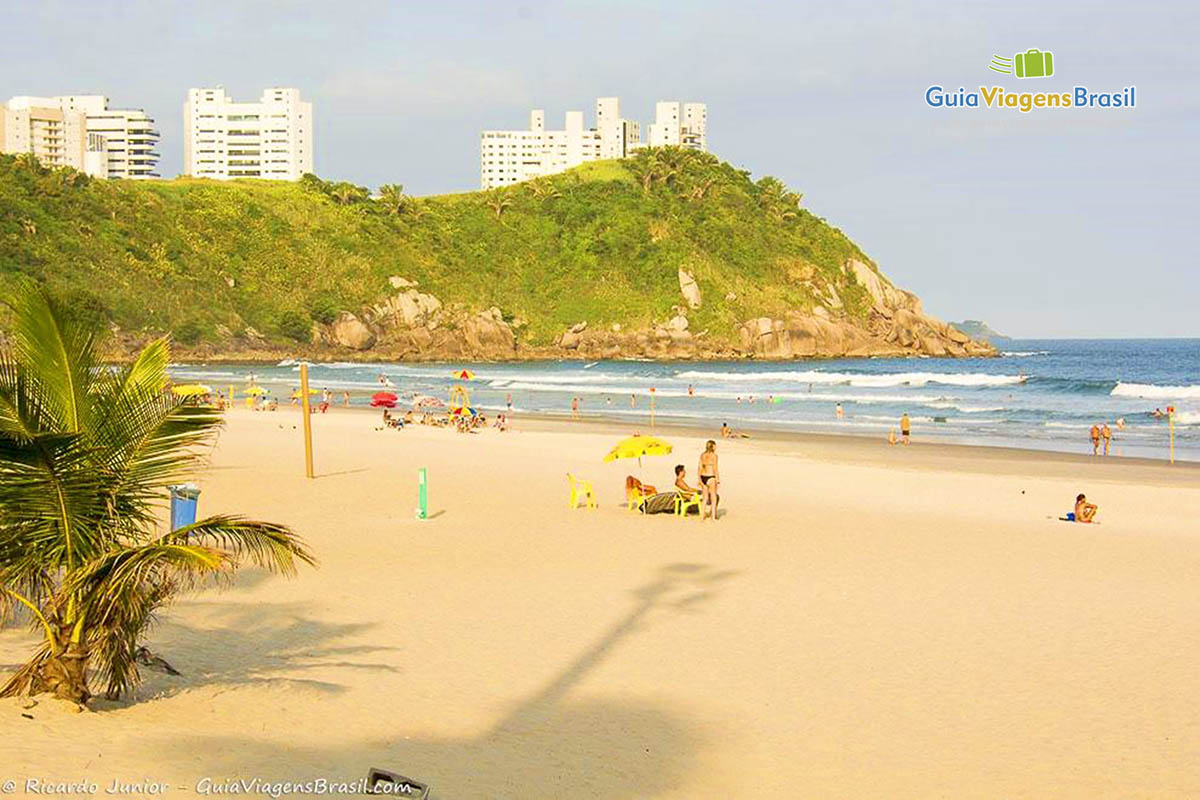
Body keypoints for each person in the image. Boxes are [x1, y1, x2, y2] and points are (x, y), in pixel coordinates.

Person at [698, 440, 719, 520]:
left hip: (703, 476)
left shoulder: (702, 455)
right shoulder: (714, 456)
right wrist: (717, 479)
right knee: (713, 498)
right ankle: (712, 517)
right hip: (711, 477)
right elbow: (715, 468)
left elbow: (700, 467)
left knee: (705, 498)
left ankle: (702, 517)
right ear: (713, 446)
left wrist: (699, 479)